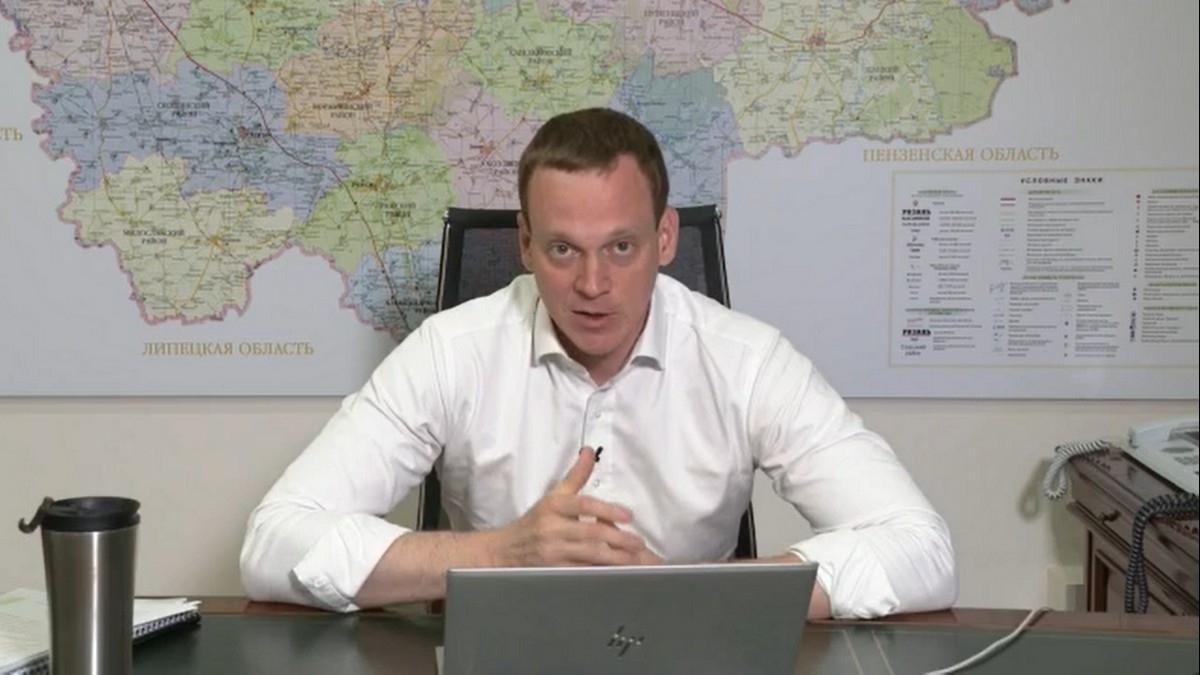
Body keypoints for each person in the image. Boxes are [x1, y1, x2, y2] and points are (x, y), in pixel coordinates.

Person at [240, 107, 956, 619]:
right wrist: (504, 555)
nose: (592, 284)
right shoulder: (449, 351)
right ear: (524, 244)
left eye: (621, 247)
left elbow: (921, 550)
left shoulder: (748, 361)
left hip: (688, 648)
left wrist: (690, 591)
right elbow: (274, 541)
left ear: (665, 238)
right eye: (563, 249)